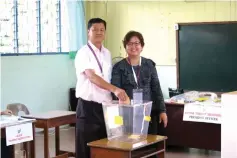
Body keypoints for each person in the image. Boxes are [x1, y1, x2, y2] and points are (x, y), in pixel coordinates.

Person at [74, 18, 129, 158]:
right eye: (95, 29)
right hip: (88, 107)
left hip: (106, 107)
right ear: (88, 32)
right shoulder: (83, 53)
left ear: (105, 33)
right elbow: (92, 77)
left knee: (105, 146)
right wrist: (115, 89)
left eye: (102, 30)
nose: (99, 32)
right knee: (86, 148)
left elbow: (108, 77)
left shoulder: (107, 53)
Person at [111, 31, 168, 157]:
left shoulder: (149, 65)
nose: (133, 46)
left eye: (137, 43)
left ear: (142, 46)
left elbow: (156, 88)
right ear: (125, 46)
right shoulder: (119, 67)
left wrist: (162, 111)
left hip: (148, 115)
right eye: (130, 43)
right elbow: (115, 90)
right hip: (127, 115)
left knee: (150, 148)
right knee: (131, 148)